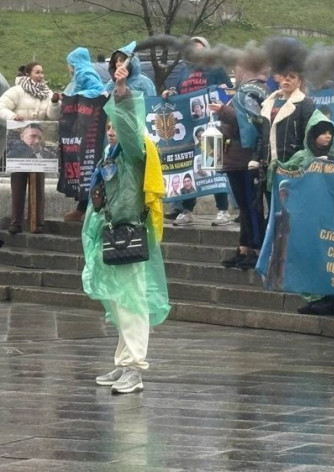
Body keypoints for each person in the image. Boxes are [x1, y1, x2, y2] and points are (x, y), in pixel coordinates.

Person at [81, 59, 170, 394]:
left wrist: (120, 89)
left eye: (115, 125)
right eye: (108, 126)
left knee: (132, 301)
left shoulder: (136, 149)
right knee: (119, 301)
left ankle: (136, 367)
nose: (111, 129)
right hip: (113, 230)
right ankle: (123, 363)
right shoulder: (112, 152)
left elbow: (130, 125)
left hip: (131, 230)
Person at [280, 109, 334, 314]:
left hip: (330, 216)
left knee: (327, 256)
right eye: (322, 132)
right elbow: (287, 176)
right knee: (310, 256)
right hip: (307, 216)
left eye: (330, 132)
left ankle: (330, 297)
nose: (327, 136)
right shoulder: (301, 157)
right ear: (312, 134)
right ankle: (313, 297)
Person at [162, 37, 233, 227]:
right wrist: (169, 95)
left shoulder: (216, 69)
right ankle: (187, 210)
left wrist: (222, 92)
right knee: (189, 169)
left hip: (211, 127)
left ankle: (223, 210)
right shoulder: (184, 71)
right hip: (189, 130)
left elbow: (228, 94)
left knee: (214, 165)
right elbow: (178, 95)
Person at [209, 61, 271, 271]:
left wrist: (224, 111)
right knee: (244, 207)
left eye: (239, 68)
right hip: (234, 158)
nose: (235, 71)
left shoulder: (255, 91)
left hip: (247, 159)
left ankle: (257, 248)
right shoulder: (242, 92)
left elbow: (251, 121)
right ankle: (244, 246)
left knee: (252, 206)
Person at [252, 38, 316, 208]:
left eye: (292, 77)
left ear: (299, 81)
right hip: (268, 167)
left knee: (289, 212)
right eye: (284, 77)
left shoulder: (305, 103)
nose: (287, 80)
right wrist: (256, 158)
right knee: (272, 212)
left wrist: (302, 162)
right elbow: (262, 135)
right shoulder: (269, 103)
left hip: (291, 166)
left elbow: (308, 134)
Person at [0, 61, 61, 234]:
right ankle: (16, 222)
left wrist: (55, 102)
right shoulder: (16, 91)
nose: (41, 75)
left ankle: (37, 222)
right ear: (28, 74)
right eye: (37, 72)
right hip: (19, 142)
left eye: (42, 72)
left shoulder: (47, 93)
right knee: (18, 183)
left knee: (38, 184)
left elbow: (52, 115)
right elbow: (1, 106)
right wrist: (13, 116)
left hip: (37, 140)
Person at [62, 47, 108, 224]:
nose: (68, 67)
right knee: (80, 171)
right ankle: (82, 208)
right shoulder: (77, 77)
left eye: (69, 64)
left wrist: (78, 97)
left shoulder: (85, 73)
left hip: (89, 131)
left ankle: (89, 208)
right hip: (79, 130)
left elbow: (97, 91)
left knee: (88, 170)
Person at [265, 180, 291, 290]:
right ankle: (276, 278)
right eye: (281, 194)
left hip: (288, 232)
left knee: (284, 254)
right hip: (280, 231)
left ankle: (282, 278)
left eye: (285, 194)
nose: (283, 197)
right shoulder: (277, 213)